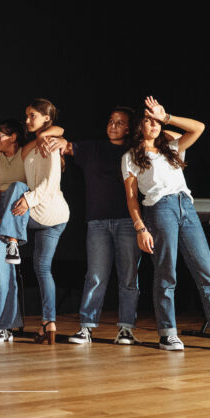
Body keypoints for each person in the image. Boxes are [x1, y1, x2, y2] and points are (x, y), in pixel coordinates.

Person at [122, 96, 210, 352]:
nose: (154, 124)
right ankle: (167, 333)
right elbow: (132, 198)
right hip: (159, 208)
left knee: (207, 272)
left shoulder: (173, 147)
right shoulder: (130, 157)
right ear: (138, 126)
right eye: (148, 121)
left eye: (155, 121)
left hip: (186, 207)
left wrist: (164, 116)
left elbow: (198, 127)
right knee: (166, 272)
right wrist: (140, 227)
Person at [48, 107, 144, 345]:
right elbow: (65, 145)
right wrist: (57, 141)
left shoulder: (135, 152)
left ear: (129, 128)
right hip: (98, 222)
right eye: (111, 121)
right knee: (95, 276)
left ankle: (126, 329)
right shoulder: (93, 148)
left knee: (129, 278)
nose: (113, 126)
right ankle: (87, 327)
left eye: (119, 123)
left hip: (127, 221)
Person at [0, 99, 69, 344]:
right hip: (53, 216)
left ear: (46, 118)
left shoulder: (50, 145)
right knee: (43, 269)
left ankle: (11, 238)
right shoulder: (37, 144)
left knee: (16, 189)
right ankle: (49, 322)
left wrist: (27, 199)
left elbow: (49, 183)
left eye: (32, 116)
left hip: (45, 209)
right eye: (26, 116)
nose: (27, 121)